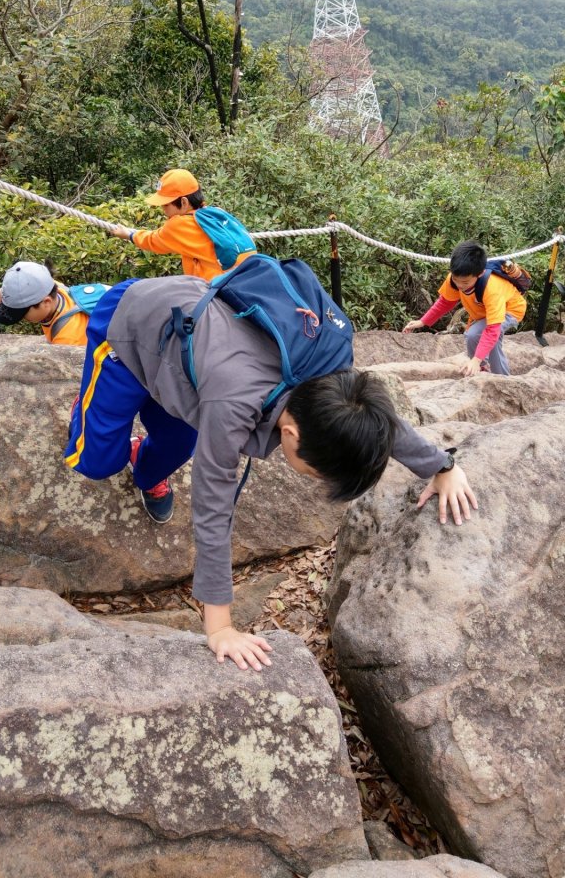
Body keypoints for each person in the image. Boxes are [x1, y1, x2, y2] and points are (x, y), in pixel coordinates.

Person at [65, 275, 478, 673]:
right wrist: (220, 626)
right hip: (130, 328)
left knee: (177, 444)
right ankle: (89, 411)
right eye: (316, 473)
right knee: (98, 462)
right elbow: (213, 506)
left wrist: (442, 466)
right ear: (293, 434)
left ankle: (142, 451)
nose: (314, 480)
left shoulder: (329, 372)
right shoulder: (232, 403)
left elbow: (370, 419)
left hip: (189, 349)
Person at [403, 239, 526, 376]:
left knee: (478, 334)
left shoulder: (492, 288)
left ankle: (499, 376)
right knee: (474, 335)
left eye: (465, 282)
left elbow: (492, 329)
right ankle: (483, 368)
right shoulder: (456, 278)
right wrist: (423, 321)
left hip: (511, 309)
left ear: (479, 274)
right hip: (484, 313)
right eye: (456, 280)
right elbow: (445, 302)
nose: (460, 285)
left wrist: (476, 359)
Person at [109, 168, 256, 281]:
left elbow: (153, 241)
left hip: (218, 287)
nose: (163, 210)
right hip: (248, 276)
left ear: (184, 202)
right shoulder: (216, 212)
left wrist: (129, 234)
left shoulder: (179, 224)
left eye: (165, 205)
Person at [0, 261, 93, 346]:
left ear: (46, 302)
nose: (22, 319)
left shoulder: (68, 339)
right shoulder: (49, 285)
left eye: (23, 313)